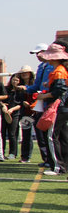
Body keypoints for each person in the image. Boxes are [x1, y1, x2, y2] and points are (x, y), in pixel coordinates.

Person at [39, 43, 68, 176]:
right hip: (63, 107)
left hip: (59, 107)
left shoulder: (59, 71)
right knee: (63, 136)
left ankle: (58, 167)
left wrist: (44, 95)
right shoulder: (61, 70)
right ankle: (63, 164)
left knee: (51, 136)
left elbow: (60, 90)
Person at [2, 74, 24, 160]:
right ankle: (1, 152)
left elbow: (20, 104)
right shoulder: (6, 89)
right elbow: (2, 100)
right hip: (4, 113)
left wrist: (12, 110)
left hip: (15, 115)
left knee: (12, 134)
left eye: (16, 80)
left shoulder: (20, 91)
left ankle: (12, 153)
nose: (14, 82)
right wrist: (4, 106)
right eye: (13, 80)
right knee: (2, 133)